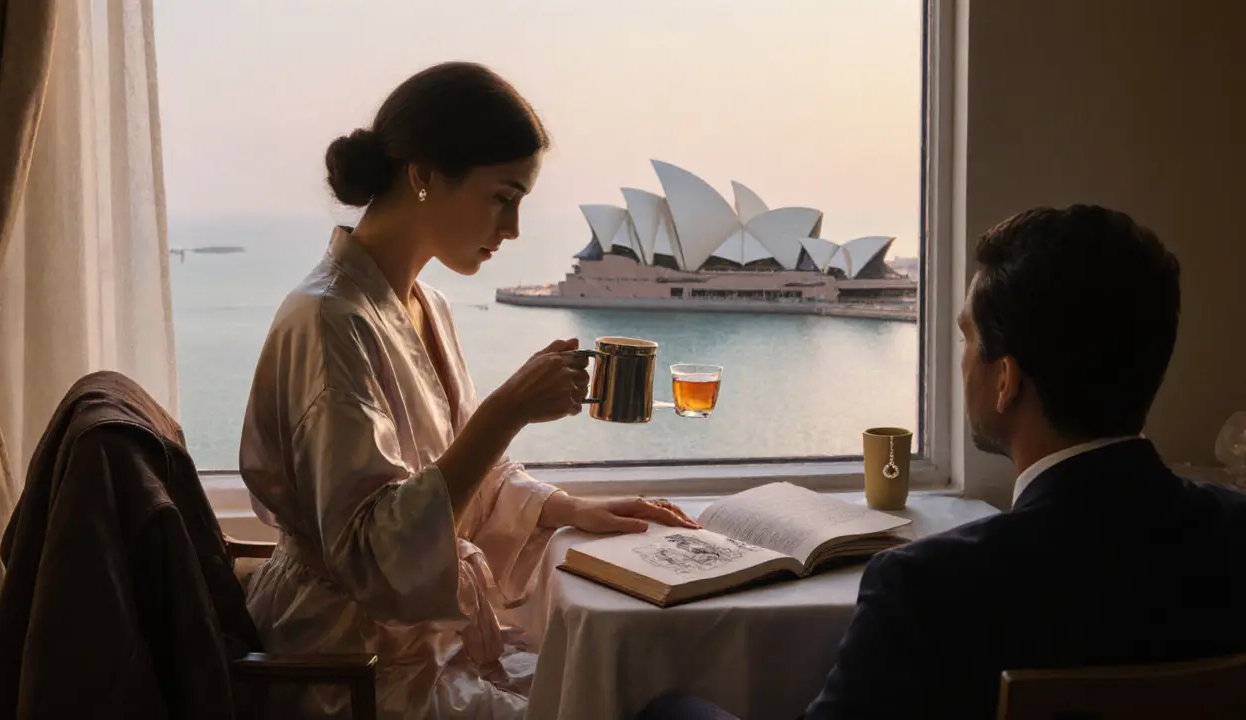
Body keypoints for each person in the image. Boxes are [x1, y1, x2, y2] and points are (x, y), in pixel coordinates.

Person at [639, 205, 1246, 720]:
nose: (963, 361)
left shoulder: (929, 588)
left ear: (1005, 380)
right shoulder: (1235, 531)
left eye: (967, 338)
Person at [239, 61, 698, 720]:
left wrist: (564, 508)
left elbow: (453, 484)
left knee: (625, 686)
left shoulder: (425, 304)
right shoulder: (328, 321)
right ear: (424, 175)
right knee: (615, 699)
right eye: (502, 197)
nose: (511, 229)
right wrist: (506, 412)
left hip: (416, 648)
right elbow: (380, 558)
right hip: (349, 672)